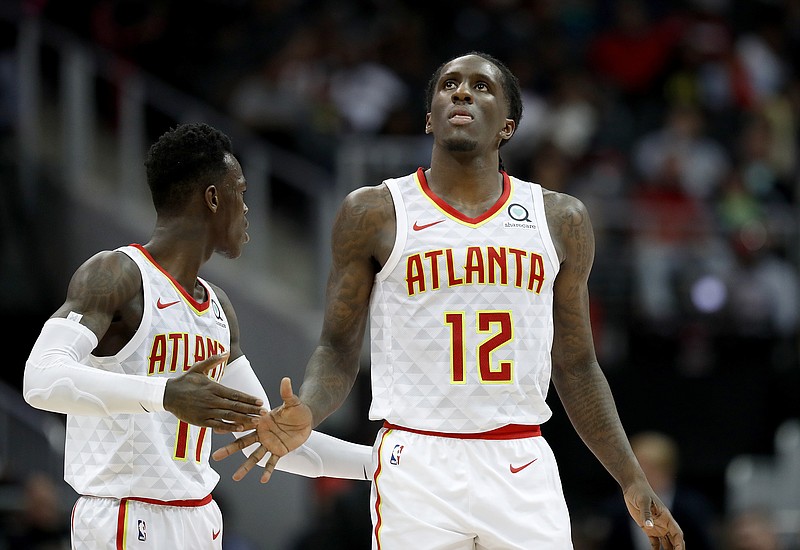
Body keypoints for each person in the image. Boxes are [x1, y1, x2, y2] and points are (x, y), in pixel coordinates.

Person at [215, 52, 685, 549]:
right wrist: (309, 409)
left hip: (519, 459)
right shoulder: (374, 212)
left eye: (481, 87)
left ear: (508, 125)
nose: (461, 92)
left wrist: (632, 478)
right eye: (449, 85)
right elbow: (337, 349)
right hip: (416, 458)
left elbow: (578, 364)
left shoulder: (560, 218)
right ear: (429, 117)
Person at [22, 122, 371, 549]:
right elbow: (40, 379)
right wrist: (165, 394)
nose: (246, 209)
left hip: (200, 517)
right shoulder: (118, 275)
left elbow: (269, 439)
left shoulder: (218, 308)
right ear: (212, 198)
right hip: (127, 515)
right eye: (240, 192)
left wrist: (384, 464)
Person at [600, 431, 717, 549]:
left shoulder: (693, 507)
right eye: (639, 469)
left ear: (669, 470)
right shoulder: (613, 510)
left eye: (651, 469)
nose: (643, 477)